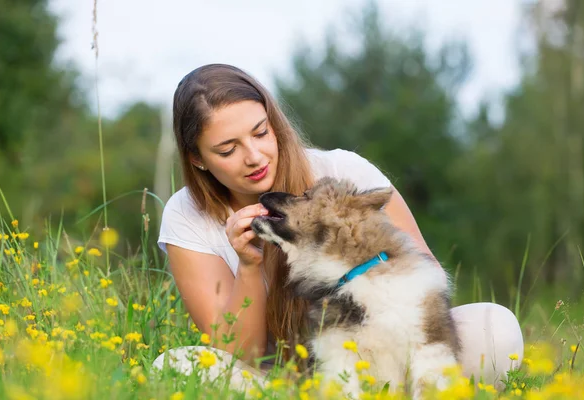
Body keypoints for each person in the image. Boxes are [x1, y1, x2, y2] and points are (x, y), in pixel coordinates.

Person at [152, 63, 524, 390]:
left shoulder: (342, 172)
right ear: (198, 159)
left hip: (383, 356)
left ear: (274, 123)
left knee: (497, 328)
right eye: (228, 150)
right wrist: (249, 265)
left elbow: (426, 284)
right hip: (273, 384)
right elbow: (238, 354)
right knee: (175, 368)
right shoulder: (187, 215)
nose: (254, 157)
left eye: (261, 132)